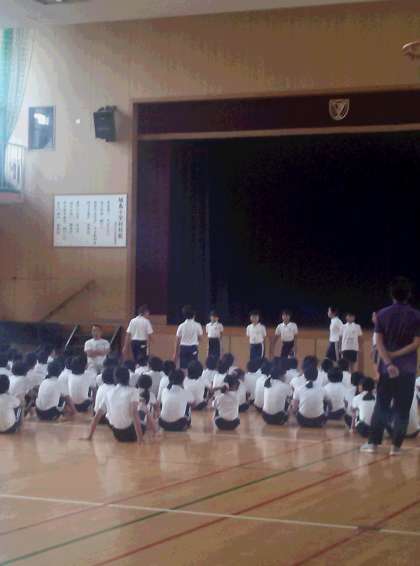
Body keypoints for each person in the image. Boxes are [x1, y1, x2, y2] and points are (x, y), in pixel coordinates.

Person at [361, 277, 420, 456]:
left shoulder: (382, 314)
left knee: (381, 405)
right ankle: (396, 447)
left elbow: (378, 342)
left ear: (392, 295)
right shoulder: (416, 315)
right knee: (403, 409)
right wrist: (397, 355)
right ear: (409, 294)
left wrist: (388, 361)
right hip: (408, 369)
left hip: (387, 370)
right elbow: (416, 343)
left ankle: (373, 444)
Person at [87, 367, 143, 443]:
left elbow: (97, 415)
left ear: (115, 379)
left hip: (116, 433)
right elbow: (134, 412)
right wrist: (140, 438)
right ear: (128, 378)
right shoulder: (134, 391)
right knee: (142, 410)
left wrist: (89, 436)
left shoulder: (109, 392)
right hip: (130, 433)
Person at [262, 359, 292, 425]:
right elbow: (290, 398)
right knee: (289, 401)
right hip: (278, 417)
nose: (285, 377)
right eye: (284, 375)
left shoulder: (267, 383)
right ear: (280, 376)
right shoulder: (285, 386)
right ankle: (284, 417)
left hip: (265, 416)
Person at [174, 305, 203, 370]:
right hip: (193, 347)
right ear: (194, 315)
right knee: (193, 367)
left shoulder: (181, 326)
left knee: (183, 367)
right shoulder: (197, 325)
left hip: (183, 348)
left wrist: (175, 353)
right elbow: (200, 338)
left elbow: (177, 340)